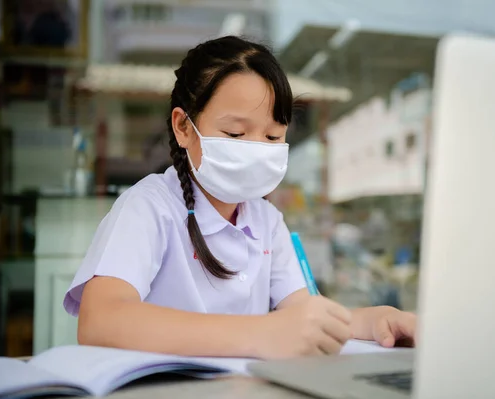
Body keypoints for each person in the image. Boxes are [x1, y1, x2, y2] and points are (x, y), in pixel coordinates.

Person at [64, 36, 416, 359]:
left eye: (273, 137)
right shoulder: (149, 207)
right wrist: (260, 333)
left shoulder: (267, 220)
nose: (256, 150)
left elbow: (304, 313)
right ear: (184, 127)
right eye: (235, 133)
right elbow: (100, 321)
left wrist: (378, 321)